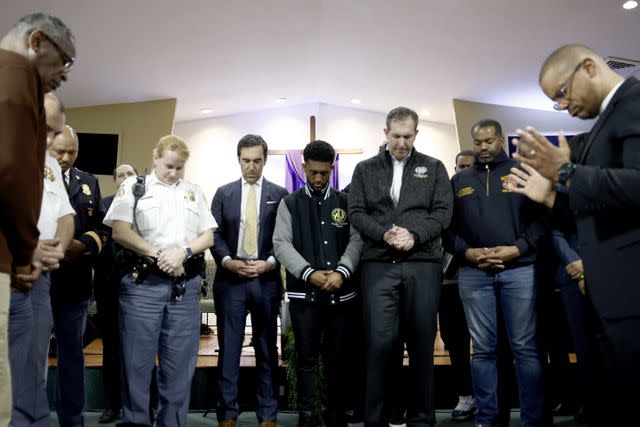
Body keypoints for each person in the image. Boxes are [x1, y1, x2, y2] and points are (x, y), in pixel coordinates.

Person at [508, 44, 640, 425]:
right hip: (611, 297)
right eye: (555, 102)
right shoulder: (603, 122)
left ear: (588, 67)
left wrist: (565, 174)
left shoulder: (635, 101)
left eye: (563, 93)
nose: (563, 106)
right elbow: (604, 208)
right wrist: (552, 197)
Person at [348, 107, 453, 427]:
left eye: (408, 136)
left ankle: (422, 419)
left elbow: (443, 212)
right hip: (379, 265)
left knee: (422, 343)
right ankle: (377, 419)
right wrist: (384, 234)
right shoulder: (364, 169)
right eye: (396, 136)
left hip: (423, 264)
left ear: (416, 135)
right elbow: (356, 211)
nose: (402, 143)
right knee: (380, 343)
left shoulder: (433, 168)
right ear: (385, 134)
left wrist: (415, 235)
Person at [104, 135, 216, 426]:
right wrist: (161, 254)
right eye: (169, 166)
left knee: (179, 369)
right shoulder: (133, 187)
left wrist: (184, 252)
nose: (174, 173)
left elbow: (208, 235)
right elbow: (120, 231)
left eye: (180, 168)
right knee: (136, 366)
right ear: (155, 157)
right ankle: (136, 422)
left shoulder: (193, 191)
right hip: (142, 287)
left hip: (183, 289)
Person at [445, 119, 549, 427]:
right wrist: (467, 252)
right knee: (483, 350)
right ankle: (487, 419)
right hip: (474, 273)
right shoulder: (459, 180)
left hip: (519, 269)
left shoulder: (523, 171)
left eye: (488, 141)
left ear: (501, 140)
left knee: (525, 349)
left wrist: (517, 248)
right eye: (478, 142)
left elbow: (542, 220)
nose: (482, 147)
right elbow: (447, 229)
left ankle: (534, 420)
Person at [0, 12, 75, 426]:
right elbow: (9, 174)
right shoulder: (13, 80)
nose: (65, 75)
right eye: (64, 61)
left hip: (27, 268)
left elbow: (64, 215)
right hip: (13, 264)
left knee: (27, 374)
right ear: (37, 41)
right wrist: (28, 249)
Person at [273, 140, 363, 427]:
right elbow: (281, 244)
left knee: (339, 358)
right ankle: (308, 413)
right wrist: (309, 272)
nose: (319, 178)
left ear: (332, 169)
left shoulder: (346, 202)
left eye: (324, 173)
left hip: (341, 294)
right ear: (303, 167)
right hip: (304, 296)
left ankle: (336, 414)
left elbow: (356, 240)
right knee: (307, 357)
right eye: (313, 172)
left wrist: (342, 272)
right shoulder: (289, 203)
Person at [211, 134, 288, 427]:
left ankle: (267, 414)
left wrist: (269, 263)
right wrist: (228, 261)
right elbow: (214, 233)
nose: (251, 167)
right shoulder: (223, 193)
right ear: (238, 159)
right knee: (229, 349)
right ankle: (227, 414)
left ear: (265, 160)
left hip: (265, 279)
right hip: (231, 279)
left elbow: (284, 236)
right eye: (246, 160)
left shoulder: (280, 194)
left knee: (267, 349)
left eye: (257, 160)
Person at [48, 125, 108, 426]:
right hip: (37, 280)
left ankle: (72, 420)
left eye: (72, 152)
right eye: (60, 151)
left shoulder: (88, 182)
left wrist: (81, 244)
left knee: (72, 356)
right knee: (30, 357)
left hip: (75, 282)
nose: (66, 157)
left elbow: (100, 228)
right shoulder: (31, 176)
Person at [94, 163, 138, 424]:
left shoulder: (145, 204)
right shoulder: (104, 205)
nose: (124, 178)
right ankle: (113, 404)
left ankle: (143, 404)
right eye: (119, 175)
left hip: (140, 286)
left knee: (141, 349)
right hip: (109, 287)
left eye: (129, 174)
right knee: (111, 347)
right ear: (114, 181)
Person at [439, 149, 476, 421]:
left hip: (479, 278)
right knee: (456, 343)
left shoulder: (482, 199)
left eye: (468, 166)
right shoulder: (445, 198)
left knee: (488, 344)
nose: (462, 170)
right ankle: (465, 397)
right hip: (448, 284)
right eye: (459, 166)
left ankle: (489, 398)